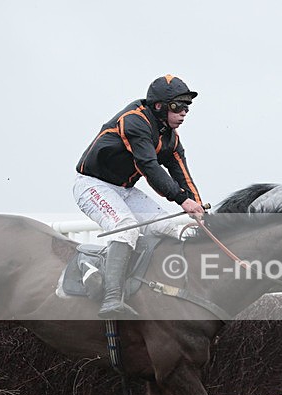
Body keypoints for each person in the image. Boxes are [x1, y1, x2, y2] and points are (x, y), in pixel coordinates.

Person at [74, 75, 206, 318]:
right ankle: (111, 297)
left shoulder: (170, 137)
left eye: (187, 107)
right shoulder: (135, 121)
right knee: (125, 227)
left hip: (124, 190)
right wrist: (182, 200)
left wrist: (198, 207)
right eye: (178, 106)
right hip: (93, 185)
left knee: (169, 227)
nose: (184, 113)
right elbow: (149, 167)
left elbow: (181, 173)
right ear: (159, 106)